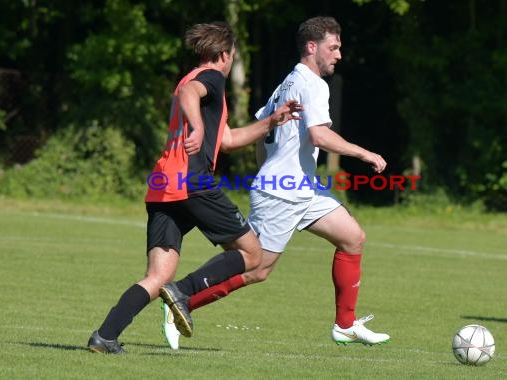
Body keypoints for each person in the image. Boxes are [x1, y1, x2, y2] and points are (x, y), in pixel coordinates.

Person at [162, 16, 390, 349]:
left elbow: (261, 133)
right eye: (334, 47)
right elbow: (318, 134)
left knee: (353, 238)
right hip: (282, 195)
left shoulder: (288, 82)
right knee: (256, 269)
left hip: (302, 188)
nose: (339, 54)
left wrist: (266, 172)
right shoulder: (312, 84)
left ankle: (345, 325)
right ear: (312, 47)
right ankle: (182, 301)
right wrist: (364, 153)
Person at [87, 21, 302, 354]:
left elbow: (227, 140)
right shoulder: (209, 79)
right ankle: (184, 291)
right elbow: (192, 96)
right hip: (192, 181)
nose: (231, 62)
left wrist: (271, 122)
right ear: (224, 54)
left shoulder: (189, 79)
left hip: (163, 184)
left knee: (156, 276)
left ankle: (105, 336)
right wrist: (198, 127)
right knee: (253, 253)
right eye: (232, 56)